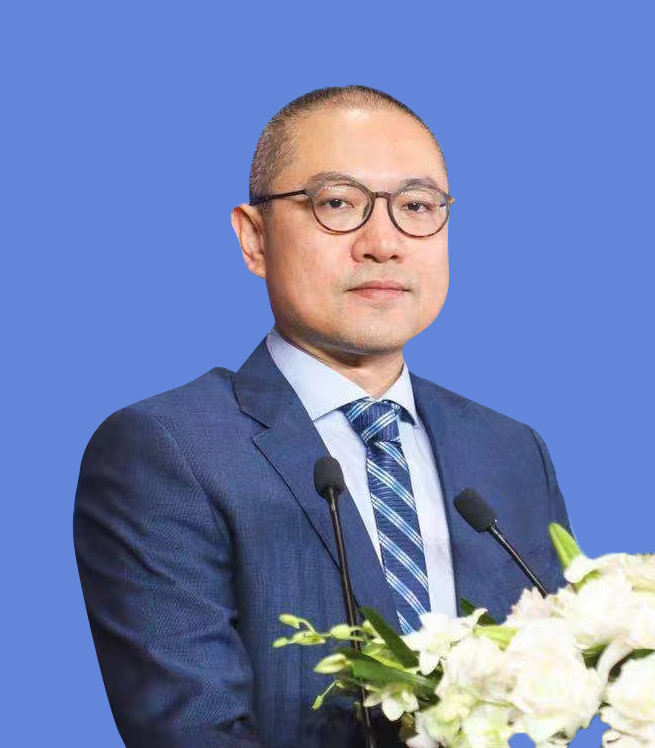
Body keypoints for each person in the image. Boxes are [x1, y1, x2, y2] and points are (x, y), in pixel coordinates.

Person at [74, 86, 570, 748]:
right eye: (337, 203)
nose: (383, 243)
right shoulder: (168, 450)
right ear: (254, 238)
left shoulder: (510, 452)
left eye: (416, 207)